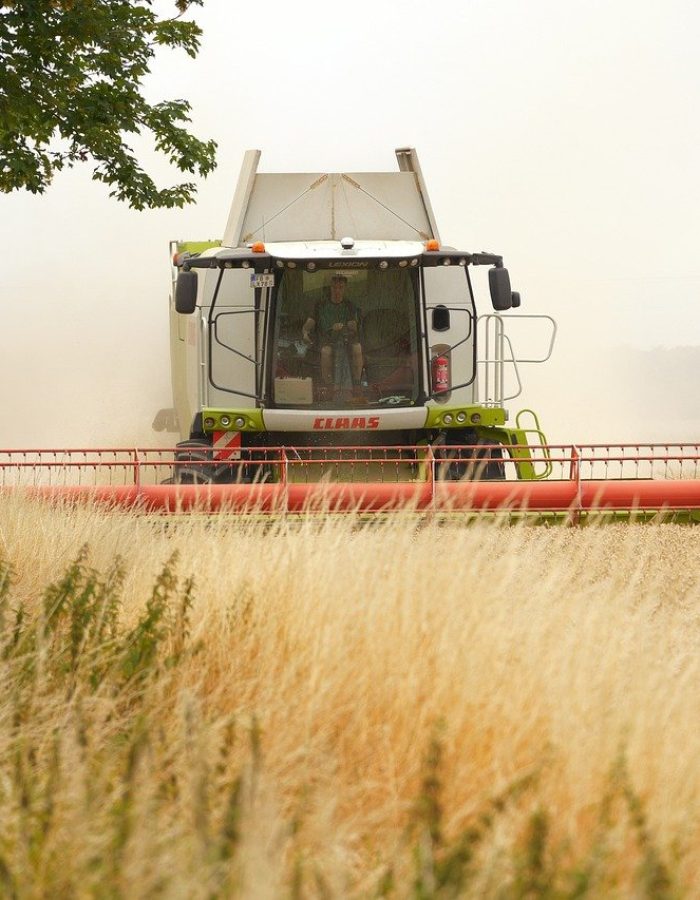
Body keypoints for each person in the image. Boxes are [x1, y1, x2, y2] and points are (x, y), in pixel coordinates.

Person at [302, 275, 364, 390]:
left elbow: (354, 327)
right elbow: (308, 325)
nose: (337, 290)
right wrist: (305, 333)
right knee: (326, 352)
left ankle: (357, 384)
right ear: (330, 288)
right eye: (334, 287)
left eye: (340, 287)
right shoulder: (320, 305)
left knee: (357, 348)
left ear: (345, 288)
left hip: (346, 340)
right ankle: (329, 387)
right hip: (327, 340)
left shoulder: (350, 305)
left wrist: (349, 326)